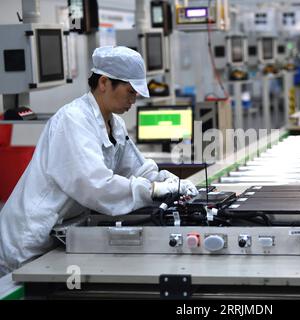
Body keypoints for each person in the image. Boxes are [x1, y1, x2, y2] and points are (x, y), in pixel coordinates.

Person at [0, 46, 198, 276]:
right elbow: (96, 186)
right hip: (29, 242)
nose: (134, 100)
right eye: (130, 91)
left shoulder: (114, 123)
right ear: (104, 83)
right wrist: (153, 190)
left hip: (63, 234)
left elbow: (135, 168)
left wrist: (167, 181)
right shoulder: (73, 121)